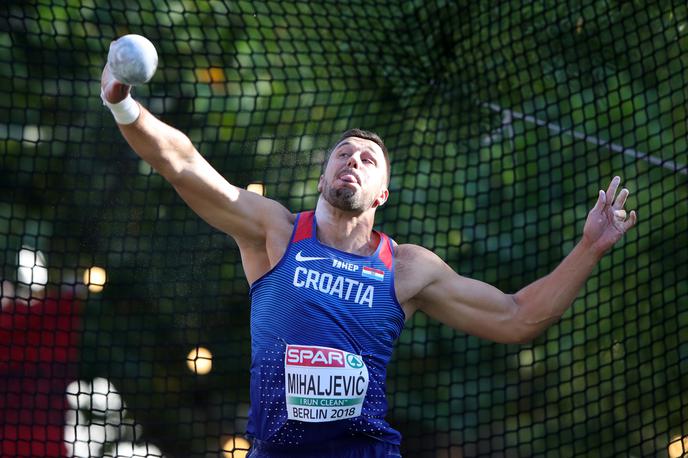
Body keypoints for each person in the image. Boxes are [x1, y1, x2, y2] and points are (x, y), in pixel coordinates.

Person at [100, 48, 637, 457]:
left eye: (368, 160)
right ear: (324, 173)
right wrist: (124, 106)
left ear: (381, 193)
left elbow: (519, 317)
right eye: (344, 154)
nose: (353, 161)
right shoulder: (277, 233)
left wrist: (590, 246)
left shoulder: (407, 269)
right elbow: (186, 164)